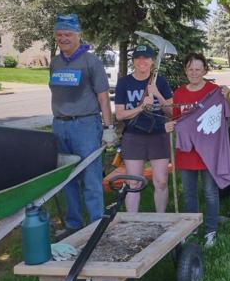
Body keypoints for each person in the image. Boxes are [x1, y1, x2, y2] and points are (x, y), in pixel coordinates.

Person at [49, 13, 117, 233]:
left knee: (90, 177)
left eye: (68, 34)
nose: (63, 38)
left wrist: (108, 128)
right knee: (66, 178)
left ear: (78, 35)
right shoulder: (56, 62)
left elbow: (103, 97)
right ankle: (73, 225)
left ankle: (96, 224)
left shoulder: (91, 61)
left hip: (86, 126)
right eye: (59, 35)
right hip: (60, 126)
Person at [165, 53, 230, 247]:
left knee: (210, 192)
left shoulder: (214, 91)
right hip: (187, 151)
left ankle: (211, 230)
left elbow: (227, 115)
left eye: (198, 69)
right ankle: (191, 228)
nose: (194, 73)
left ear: (205, 70)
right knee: (189, 193)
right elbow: (178, 120)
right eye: (190, 69)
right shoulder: (179, 93)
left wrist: (227, 98)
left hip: (209, 151)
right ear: (185, 71)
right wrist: (170, 125)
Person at [114, 45, 173, 213]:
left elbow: (170, 112)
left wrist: (158, 94)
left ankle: (160, 219)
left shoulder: (160, 81)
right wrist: (141, 107)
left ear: (152, 61)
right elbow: (119, 115)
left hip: (158, 135)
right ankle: (133, 222)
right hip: (134, 136)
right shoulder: (124, 83)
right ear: (133, 61)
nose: (142, 61)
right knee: (134, 182)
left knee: (161, 181)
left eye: (146, 58)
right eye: (138, 58)